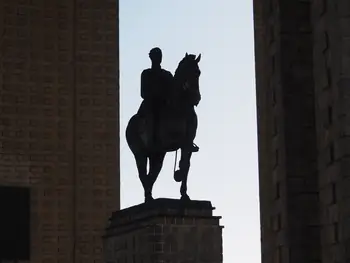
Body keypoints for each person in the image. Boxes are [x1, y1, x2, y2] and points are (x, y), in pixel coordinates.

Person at [137, 47, 174, 145]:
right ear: (151, 58)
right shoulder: (146, 74)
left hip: (165, 104)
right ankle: (149, 139)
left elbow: (174, 90)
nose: (158, 58)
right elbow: (143, 93)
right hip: (151, 104)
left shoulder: (167, 74)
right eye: (156, 56)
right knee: (150, 117)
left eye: (160, 56)